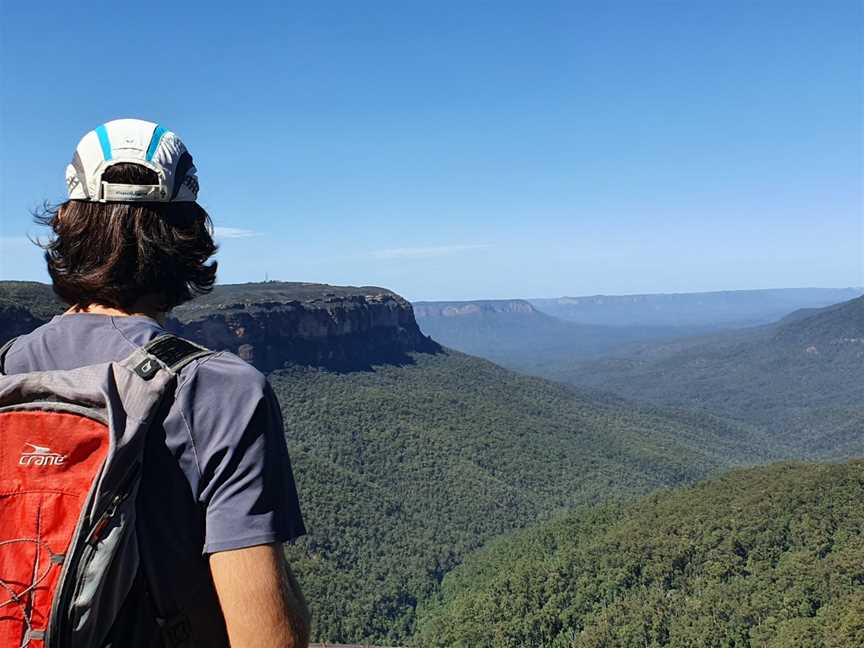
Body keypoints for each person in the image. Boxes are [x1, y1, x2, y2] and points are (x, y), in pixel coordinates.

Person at [1, 119, 310, 647]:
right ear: (188, 232)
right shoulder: (220, 391)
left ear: (68, 225)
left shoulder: (8, 365)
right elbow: (265, 638)